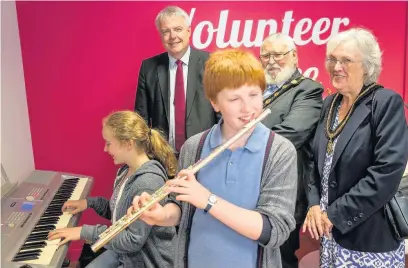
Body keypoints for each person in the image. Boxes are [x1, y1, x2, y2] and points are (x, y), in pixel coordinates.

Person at [128, 48, 299, 268]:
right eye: (234, 98)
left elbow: (274, 231)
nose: (248, 108)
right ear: (215, 103)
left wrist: (208, 200)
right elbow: (183, 210)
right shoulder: (194, 147)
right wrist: (161, 215)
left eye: (254, 95)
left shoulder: (279, 151)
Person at [303, 27, 408, 267]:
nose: (336, 66)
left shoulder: (385, 102)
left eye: (346, 60)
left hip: (368, 237)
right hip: (329, 236)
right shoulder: (329, 103)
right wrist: (313, 205)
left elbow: (386, 171)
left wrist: (334, 215)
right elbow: (313, 160)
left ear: (367, 66)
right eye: (332, 59)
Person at [48, 111, 177, 268]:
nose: (105, 149)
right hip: (126, 253)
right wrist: (89, 203)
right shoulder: (125, 171)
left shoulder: (147, 183)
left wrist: (84, 232)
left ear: (128, 143)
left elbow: (132, 240)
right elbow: (119, 213)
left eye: (108, 143)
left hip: (144, 261)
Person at [259, 33, 323, 268]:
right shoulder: (254, 89)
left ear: (294, 56)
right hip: (249, 192)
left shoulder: (308, 90)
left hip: (283, 194)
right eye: (265, 55)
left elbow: (290, 134)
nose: (271, 61)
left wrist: (242, 142)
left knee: (280, 260)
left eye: (278, 54)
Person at [134, 6, 218, 156]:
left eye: (178, 29)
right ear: (160, 35)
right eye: (166, 31)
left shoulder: (212, 63)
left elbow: (222, 114)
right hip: (163, 158)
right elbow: (141, 119)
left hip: (206, 155)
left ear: (189, 30)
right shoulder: (149, 67)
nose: (173, 36)